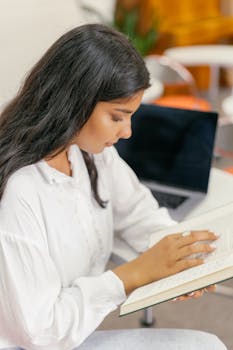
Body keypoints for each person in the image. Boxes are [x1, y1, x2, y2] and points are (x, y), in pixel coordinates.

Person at [0, 24, 227, 350]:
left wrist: (182, 259)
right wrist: (132, 275)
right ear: (75, 103)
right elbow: (41, 332)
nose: (127, 133)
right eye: (118, 117)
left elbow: (138, 214)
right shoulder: (19, 193)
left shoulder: (91, 155)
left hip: (71, 336)